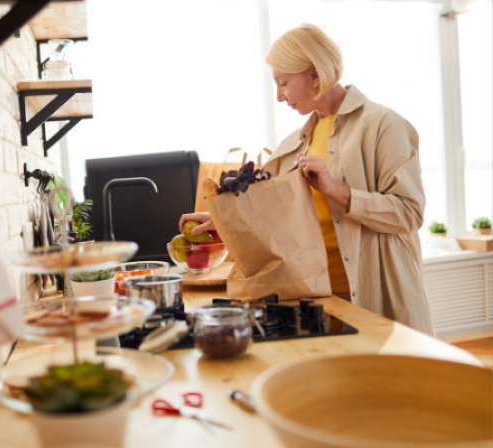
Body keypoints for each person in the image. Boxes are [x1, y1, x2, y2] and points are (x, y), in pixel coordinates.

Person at [180, 24, 434, 335]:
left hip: (373, 295)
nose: (278, 96)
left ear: (315, 74)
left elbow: (409, 212)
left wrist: (338, 192)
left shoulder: (383, 124)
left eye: (283, 82)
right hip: (312, 295)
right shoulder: (295, 143)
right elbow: (282, 219)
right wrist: (225, 219)